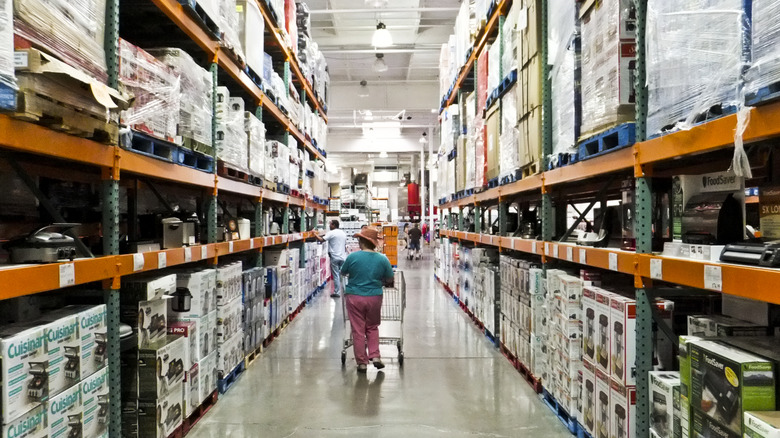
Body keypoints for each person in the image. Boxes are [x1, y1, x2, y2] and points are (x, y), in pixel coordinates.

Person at [341, 227, 394, 373]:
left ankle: (362, 363)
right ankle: (375, 356)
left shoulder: (352, 257)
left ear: (362, 241)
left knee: (358, 330)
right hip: (374, 297)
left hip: (354, 296)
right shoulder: (382, 258)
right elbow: (390, 278)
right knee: (372, 327)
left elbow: (343, 272)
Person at [315, 220, 347, 298]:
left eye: (330, 224)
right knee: (343, 275)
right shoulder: (343, 233)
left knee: (336, 275)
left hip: (335, 257)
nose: (329, 226)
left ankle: (337, 292)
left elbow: (321, 240)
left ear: (334, 225)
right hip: (343, 257)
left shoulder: (331, 233)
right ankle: (346, 291)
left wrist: (314, 234)